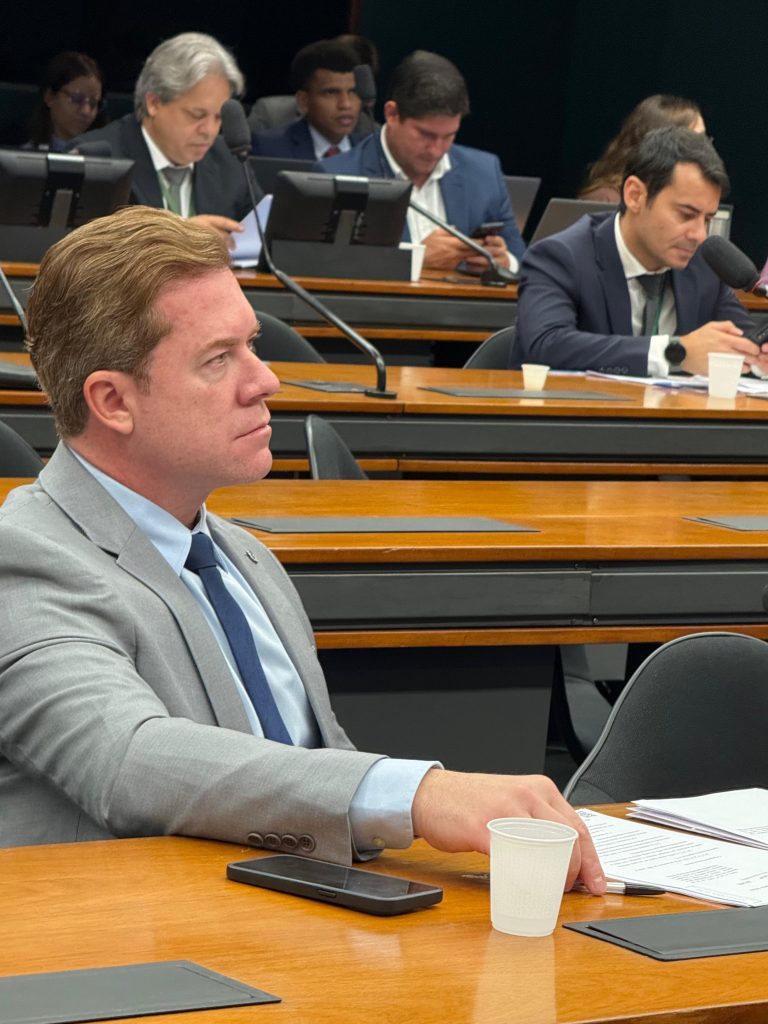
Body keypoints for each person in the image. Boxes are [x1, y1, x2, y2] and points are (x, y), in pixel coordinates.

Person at [0, 205, 602, 894]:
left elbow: (316, 776)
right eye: (218, 359)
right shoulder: (24, 561)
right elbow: (128, 758)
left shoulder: (245, 558)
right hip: (134, 942)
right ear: (112, 401)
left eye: (251, 345)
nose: (265, 380)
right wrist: (419, 795)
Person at [515, 126, 766, 376]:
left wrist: (759, 357)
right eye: (686, 214)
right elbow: (546, 344)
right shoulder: (560, 257)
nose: (699, 235)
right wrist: (675, 352)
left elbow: (743, 341)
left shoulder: (703, 265)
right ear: (635, 195)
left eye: (708, 219)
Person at [319, 50, 525, 273]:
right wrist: (415, 258)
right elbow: (321, 266)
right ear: (392, 114)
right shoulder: (337, 176)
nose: (436, 150)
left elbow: (524, 263)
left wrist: (505, 262)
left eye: (449, 136)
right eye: (426, 135)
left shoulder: (484, 171)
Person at [69, 32, 259, 249]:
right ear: (154, 103)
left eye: (218, 117)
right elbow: (77, 254)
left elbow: (266, 241)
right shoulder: (96, 159)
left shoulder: (231, 161)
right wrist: (179, 236)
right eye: (197, 115)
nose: (209, 131)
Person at [250, 40, 371, 161]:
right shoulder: (268, 149)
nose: (346, 104)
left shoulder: (374, 152)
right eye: (331, 92)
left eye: (353, 92)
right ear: (304, 101)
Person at [579, 94, 705, 204]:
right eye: (694, 141)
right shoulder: (606, 198)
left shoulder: (687, 196)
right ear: (659, 143)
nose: (705, 149)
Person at [27, 51, 107, 151]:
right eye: (77, 99)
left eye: (93, 103)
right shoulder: (25, 157)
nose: (86, 111)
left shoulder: (107, 156)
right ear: (50, 97)